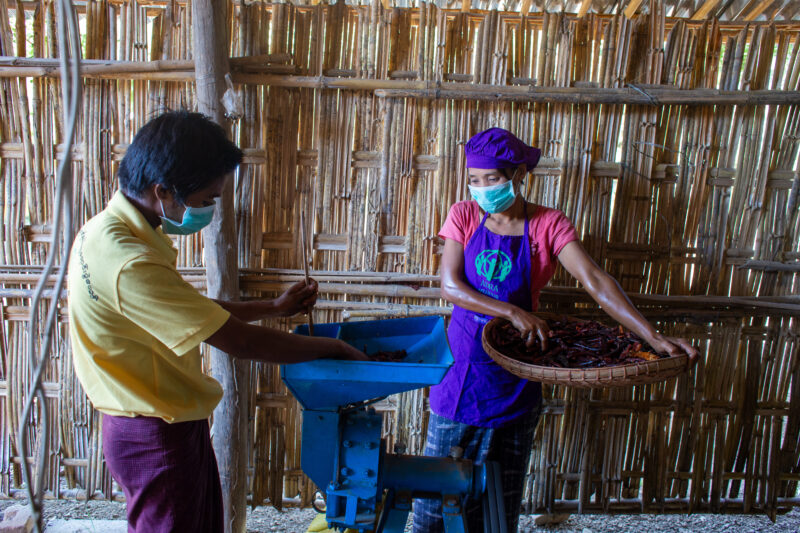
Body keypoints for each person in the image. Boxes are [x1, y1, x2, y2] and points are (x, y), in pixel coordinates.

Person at [67, 111, 366, 533]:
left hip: (163, 419)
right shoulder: (128, 262)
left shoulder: (107, 231)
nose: (208, 209)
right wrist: (334, 347)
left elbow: (192, 311)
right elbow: (242, 343)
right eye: (206, 199)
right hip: (154, 433)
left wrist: (273, 308)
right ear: (164, 191)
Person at [411, 127, 699, 533]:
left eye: (491, 179)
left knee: (499, 503)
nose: (480, 189)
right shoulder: (463, 215)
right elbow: (451, 286)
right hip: (462, 370)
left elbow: (596, 282)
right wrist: (513, 312)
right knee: (434, 506)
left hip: (516, 373)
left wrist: (652, 337)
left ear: (517, 175)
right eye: (473, 179)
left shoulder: (548, 224)